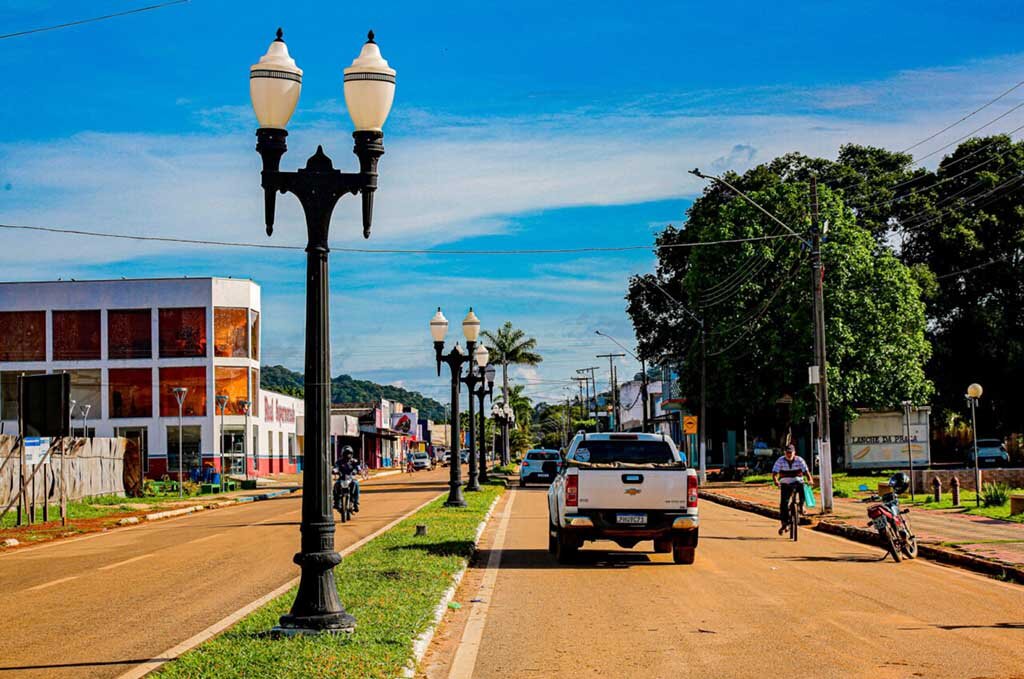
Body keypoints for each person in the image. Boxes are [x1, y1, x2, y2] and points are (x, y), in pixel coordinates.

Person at [772, 444, 813, 534]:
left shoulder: (800, 460)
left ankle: (801, 505)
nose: (789, 455)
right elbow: (775, 473)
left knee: (803, 487)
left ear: (794, 453)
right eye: (787, 453)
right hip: (785, 483)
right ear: (784, 453)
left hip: (797, 481)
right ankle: (784, 523)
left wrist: (810, 479)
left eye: (790, 453)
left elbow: (806, 471)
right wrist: (776, 481)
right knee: (784, 503)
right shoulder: (780, 460)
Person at [334, 446, 361, 512]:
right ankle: (336, 502)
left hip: (351, 478)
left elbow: (358, 468)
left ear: (352, 454)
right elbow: (336, 467)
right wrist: (335, 470)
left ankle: (355, 503)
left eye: (349, 453)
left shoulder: (354, 461)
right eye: (346, 453)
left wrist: (358, 471)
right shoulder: (339, 461)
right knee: (336, 485)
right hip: (342, 478)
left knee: (356, 484)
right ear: (342, 453)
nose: (347, 455)